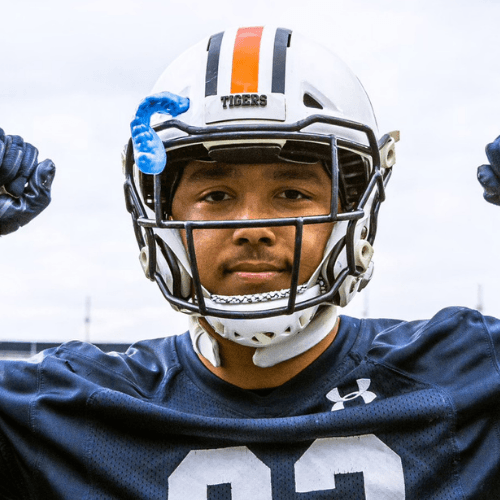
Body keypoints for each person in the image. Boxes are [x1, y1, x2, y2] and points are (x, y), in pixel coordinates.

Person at [1, 26, 500, 499]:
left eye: (291, 192)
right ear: (161, 212)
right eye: (216, 194)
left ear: (352, 211)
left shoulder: (469, 374)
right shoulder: (70, 410)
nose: (252, 227)